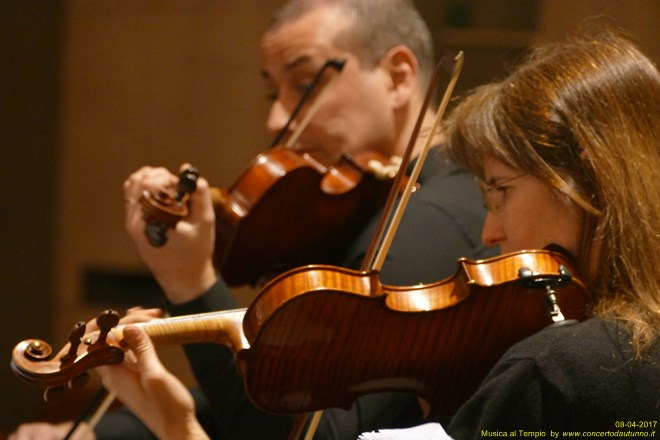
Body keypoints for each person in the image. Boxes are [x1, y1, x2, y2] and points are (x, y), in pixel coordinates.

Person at [87, 28, 660, 439]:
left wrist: (177, 424)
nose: (489, 231)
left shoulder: (562, 372)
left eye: (501, 190)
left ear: (585, 178)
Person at [10, 0, 491, 439]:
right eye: (272, 93)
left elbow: (304, 432)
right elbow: (243, 411)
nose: (278, 119)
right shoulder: (383, 203)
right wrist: (96, 436)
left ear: (400, 76)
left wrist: (192, 283)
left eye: (304, 86)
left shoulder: (431, 219)